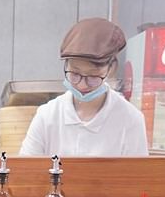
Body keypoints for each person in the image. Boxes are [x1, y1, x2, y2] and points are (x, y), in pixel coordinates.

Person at [19, 17, 148, 157]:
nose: (82, 85)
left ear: (111, 68)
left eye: (93, 76)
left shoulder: (130, 120)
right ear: (66, 65)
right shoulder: (47, 115)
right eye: (75, 74)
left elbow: (137, 171)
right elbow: (26, 167)